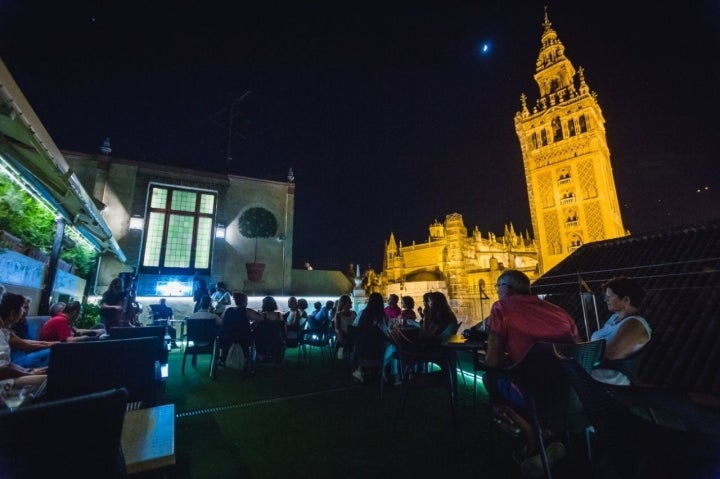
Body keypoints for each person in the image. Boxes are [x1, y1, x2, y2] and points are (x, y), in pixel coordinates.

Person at [482, 269, 579, 476]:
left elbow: (493, 361)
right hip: (571, 392)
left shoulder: (501, 307)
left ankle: (535, 438)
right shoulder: (559, 311)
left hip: (533, 392)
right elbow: (579, 348)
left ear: (507, 289)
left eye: (497, 287)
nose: (496, 292)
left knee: (490, 378)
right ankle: (552, 435)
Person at [591, 276, 651, 385]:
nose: (606, 300)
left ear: (626, 300)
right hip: (593, 374)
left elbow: (612, 353)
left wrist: (580, 352)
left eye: (610, 296)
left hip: (606, 382)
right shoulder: (614, 318)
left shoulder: (635, 324)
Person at [0, 293, 47, 388]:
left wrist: (27, 371)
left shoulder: (5, 329)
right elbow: (2, 370)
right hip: (3, 380)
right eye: (22, 308)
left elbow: (5, 364)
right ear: (13, 313)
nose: (24, 312)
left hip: (8, 372)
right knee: (48, 380)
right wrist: (29, 374)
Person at [9, 296, 56, 368]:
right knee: (54, 351)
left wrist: (52, 344)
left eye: (26, 308)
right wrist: (51, 344)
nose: (24, 311)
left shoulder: (26, 323)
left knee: (55, 350)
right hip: (18, 359)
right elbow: (26, 345)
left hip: (28, 353)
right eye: (22, 308)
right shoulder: (11, 325)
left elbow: (31, 342)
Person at [351, 292, 388, 383]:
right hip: (377, 351)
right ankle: (385, 371)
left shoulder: (361, 314)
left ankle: (360, 369)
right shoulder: (380, 317)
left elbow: (354, 327)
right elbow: (384, 332)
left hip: (361, 349)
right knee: (390, 346)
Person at [218, 292, 260, 368]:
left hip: (226, 338)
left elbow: (221, 322)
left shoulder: (227, 310)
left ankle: (223, 358)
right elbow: (261, 319)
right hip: (243, 338)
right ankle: (247, 358)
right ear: (245, 301)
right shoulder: (247, 311)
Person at [39, 300, 105, 342]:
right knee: (93, 339)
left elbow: (76, 331)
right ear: (74, 312)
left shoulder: (63, 319)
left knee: (99, 328)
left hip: (59, 344)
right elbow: (68, 340)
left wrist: (94, 331)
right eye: (79, 313)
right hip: (51, 348)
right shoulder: (60, 320)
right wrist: (85, 338)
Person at [253, 296, 286, 363]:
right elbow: (283, 328)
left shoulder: (262, 316)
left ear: (264, 305)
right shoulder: (279, 315)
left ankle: (260, 358)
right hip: (277, 341)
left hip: (263, 342)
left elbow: (256, 327)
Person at [333, 294, 357, 360]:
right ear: (343, 303)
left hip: (354, 335)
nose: (351, 302)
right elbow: (337, 329)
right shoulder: (338, 315)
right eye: (349, 301)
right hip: (344, 336)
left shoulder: (354, 313)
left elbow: (358, 325)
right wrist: (342, 335)